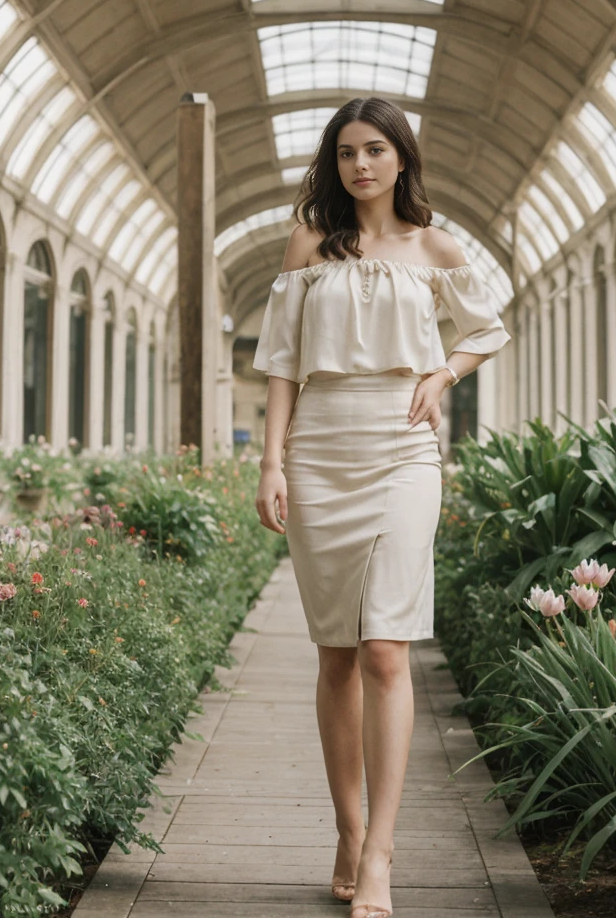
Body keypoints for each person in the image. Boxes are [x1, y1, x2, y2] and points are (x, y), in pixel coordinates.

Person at [253, 96, 511, 918]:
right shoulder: (307, 243)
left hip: (403, 451)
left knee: (386, 652)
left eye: (374, 150)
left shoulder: (436, 244)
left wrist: (444, 373)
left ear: (402, 156)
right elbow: (283, 367)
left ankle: (382, 858)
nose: (360, 165)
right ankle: (348, 828)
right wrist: (271, 462)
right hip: (320, 449)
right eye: (345, 153)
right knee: (335, 652)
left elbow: (486, 327)